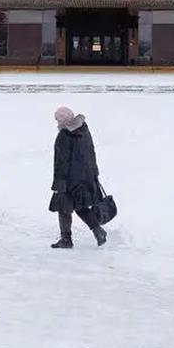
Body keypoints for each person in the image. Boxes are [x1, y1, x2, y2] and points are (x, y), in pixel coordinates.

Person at [49, 106, 107, 249]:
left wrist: (59, 183)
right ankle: (98, 231)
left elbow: (61, 162)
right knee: (80, 206)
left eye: (58, 119)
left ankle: (66, 240)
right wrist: (94, 174)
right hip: (86, 177)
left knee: (63, 208)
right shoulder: (84, 130)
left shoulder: (64, 135)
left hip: (69, 179)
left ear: (63, 120)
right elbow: (91, 152)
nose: (57, 122)